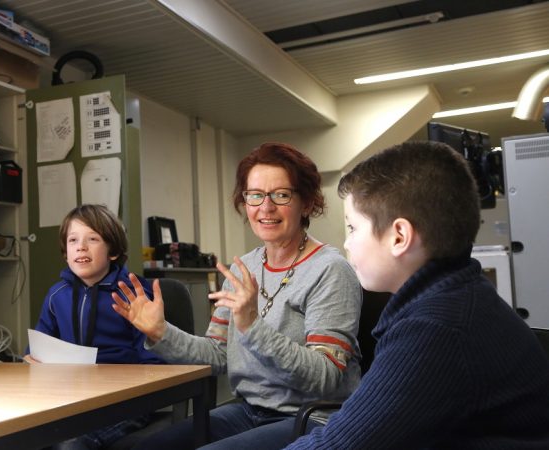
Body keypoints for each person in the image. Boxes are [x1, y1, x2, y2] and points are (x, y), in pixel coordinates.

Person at [285, 141, 549, 449]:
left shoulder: (435, 328)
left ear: (399, 236)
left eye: (353, 228)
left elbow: (338, 446)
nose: (347, 244)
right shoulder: (461, 295)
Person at [112, 142, 363, 450]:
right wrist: (161, 332)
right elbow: (218, 354)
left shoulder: (331, 270)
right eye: (255, 195)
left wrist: (252, 325)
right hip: (247, 410)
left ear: (307, 203)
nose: (265, 207)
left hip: (311, 417)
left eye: (281, 195)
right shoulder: (245, 268)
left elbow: (325, 377)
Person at [27, 204, 161, 450]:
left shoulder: (134, 295)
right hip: (70, 397)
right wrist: (33, 361)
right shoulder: (56, 296)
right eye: (73, 240)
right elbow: (38, 348)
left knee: (72, 444)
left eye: (93, 239)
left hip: (123, 402)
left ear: (112, 250)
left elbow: (154, 360)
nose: (81, 246)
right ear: (65, 252)